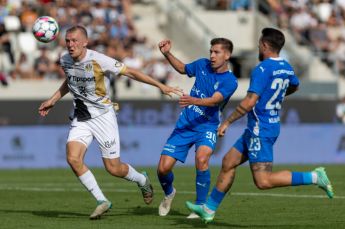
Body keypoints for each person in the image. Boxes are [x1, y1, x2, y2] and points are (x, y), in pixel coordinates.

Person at [186, 28, 334, 223]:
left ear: (265, 46)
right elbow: (295, 85)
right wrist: (277, 97)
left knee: (263, 181)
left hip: (260, 130)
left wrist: (227, 122)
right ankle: (209, 209)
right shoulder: (286, 67)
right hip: (264, 126)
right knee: (229, 162)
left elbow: (248, 102)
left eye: (259, 44)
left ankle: (315, 177)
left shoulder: (262, 69)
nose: (258, 47)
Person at [38, 25, 181, 220]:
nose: (71, 45)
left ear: (85, 42)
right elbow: (70, 82)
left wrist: (161, 86)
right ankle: (101, 200)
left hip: (103, 117)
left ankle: (141, 179)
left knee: (113, 168)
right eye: (68, 41)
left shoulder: (99, 60)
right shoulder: (65, 59)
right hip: (81, 118)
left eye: (75, 41)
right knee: (73, 158)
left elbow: (131, 72)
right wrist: (52, 100)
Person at [156, 38, 238, 218]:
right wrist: (167, 53)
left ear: (227, 55)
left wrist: (193, 100)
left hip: (208, 126)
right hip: (186, 124)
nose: (212, 55)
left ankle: (200, 206)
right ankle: (169, 192)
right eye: (211, 51)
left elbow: (216, 99)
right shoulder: (202, 64)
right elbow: (183, 68)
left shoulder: (230, 81)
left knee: (202, 159)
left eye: (216, 52)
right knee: (163, 169)